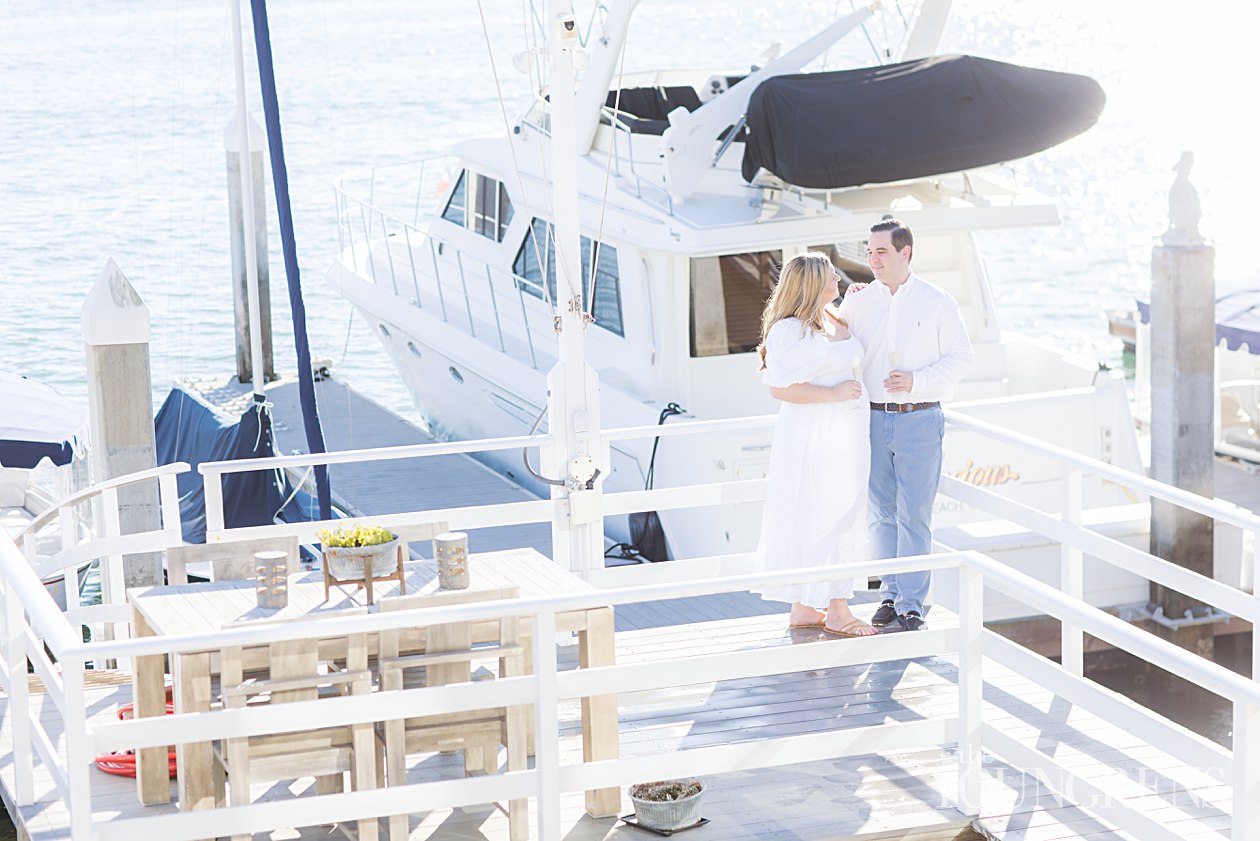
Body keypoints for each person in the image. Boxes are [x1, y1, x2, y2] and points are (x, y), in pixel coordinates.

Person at [839, 219, 974, 631]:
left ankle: (912, 603)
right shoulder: (859, 302)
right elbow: (834, 339)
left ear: (905, 253)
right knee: (880, 513)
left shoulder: (937, 301)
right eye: (869, 251)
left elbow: (962, 357)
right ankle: (889, 595)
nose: (872, 259)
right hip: (873, 419)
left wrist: (918, 380)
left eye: (881, 251)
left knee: (913, 514)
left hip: (920, 418)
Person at [752, 252, 876, 637]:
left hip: (846, 435)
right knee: (823, 514)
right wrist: (835, 393)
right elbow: (780, 388)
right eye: (830, 277)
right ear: (811, 285)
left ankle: (805, 608)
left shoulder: (833, 317)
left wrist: (857, 299)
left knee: (837, 512)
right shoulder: (791, 330)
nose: (838, 280)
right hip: (815, 436)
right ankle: (837, 609)